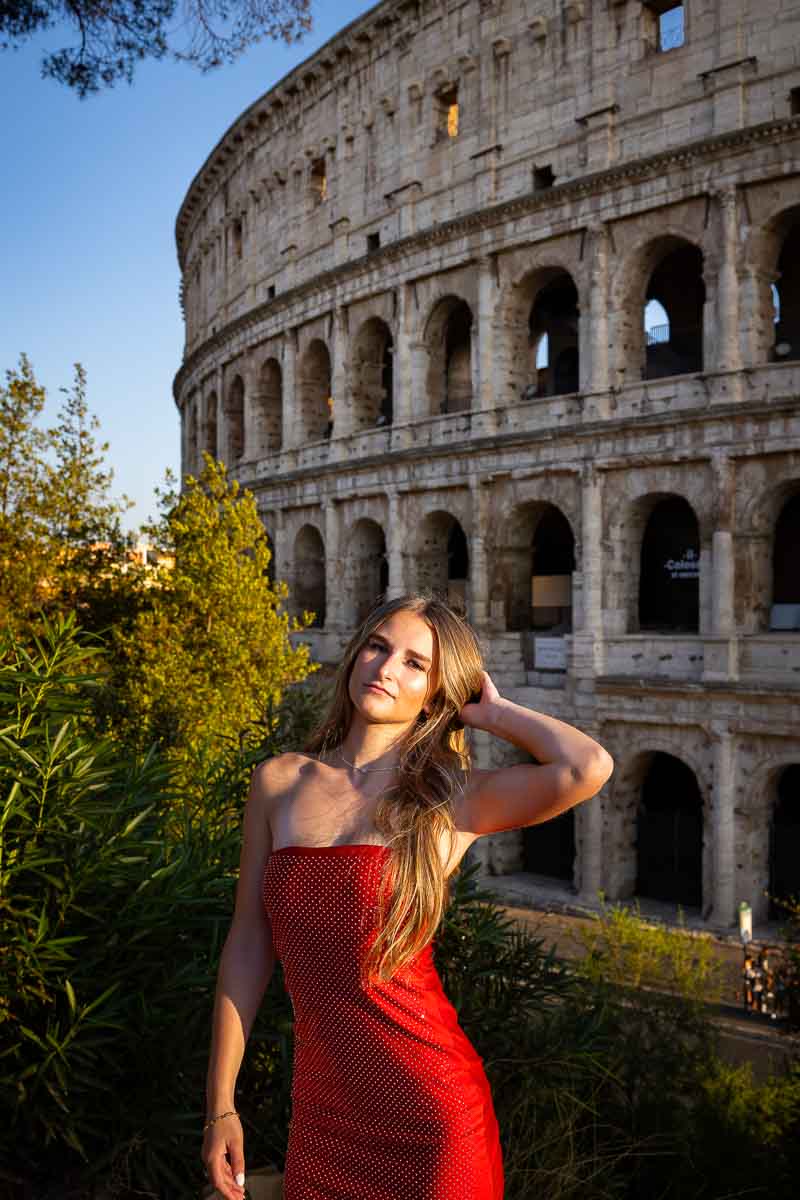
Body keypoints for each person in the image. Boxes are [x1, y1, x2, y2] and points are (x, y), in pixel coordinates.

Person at [201, 593, 614, 1199]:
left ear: (440, 692)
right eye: (377, 646)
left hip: (433, 1118)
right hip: (322, 1110)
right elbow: (249, 941)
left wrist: (491, 712)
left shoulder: (452, 799)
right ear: (353, 655)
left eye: (416, 664)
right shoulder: (279, 781)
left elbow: (588, 767)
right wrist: (220, 1105)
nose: (386, 668)